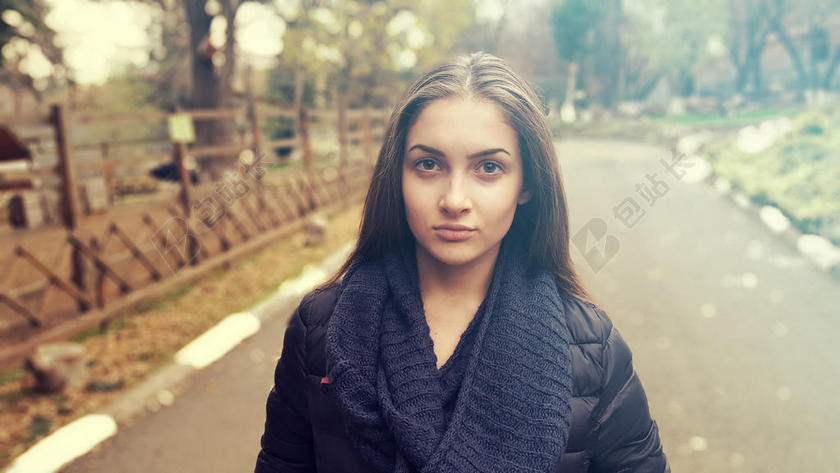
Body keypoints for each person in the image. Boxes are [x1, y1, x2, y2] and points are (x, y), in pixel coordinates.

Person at [254, 52, 670, 473]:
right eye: (428, 164)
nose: (454, 200)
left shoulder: (593, 350)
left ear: (526, 184)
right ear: (397, 175)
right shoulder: (320, 328)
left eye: (489, 167)